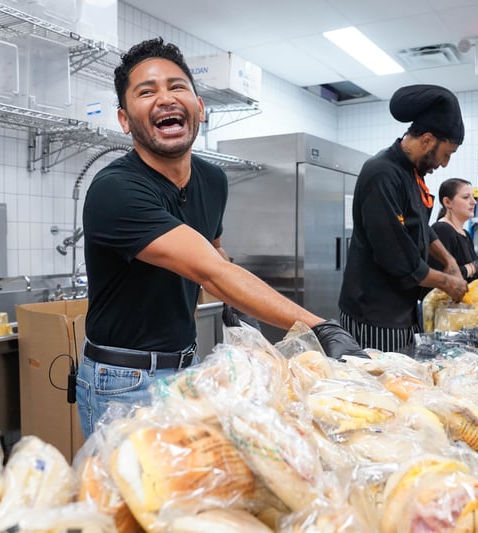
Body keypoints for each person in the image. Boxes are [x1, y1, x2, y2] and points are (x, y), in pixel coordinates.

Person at [77, 37, 363, 437]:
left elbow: (214, 253)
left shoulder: (212, 180)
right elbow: (209, 271)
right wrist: (320, 327)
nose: (165, 98)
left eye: (177, 87)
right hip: (123, 379)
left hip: (186, 367)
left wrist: (240, 310)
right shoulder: (115, 190)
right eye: (147, 91)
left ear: (200, 108)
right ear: (125, 120)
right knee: (133, 496)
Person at [338, 84, 470, 353]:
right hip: (374, 316)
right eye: (447, 154)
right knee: (378, 390)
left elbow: (422, 229)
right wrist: (449, 284)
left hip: (402, 312)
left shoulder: (411, 174)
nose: (444, 164)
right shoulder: (382, 173)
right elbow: (399, 260)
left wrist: (449, 260)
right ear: (427, 140)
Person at [427, 178, 478, 285]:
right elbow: (444, 276)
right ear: (447, 202)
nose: (474, 202)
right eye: (466, 197)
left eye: (473, 197)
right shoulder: (441, 230)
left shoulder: (466, 234)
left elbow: (468, 279)